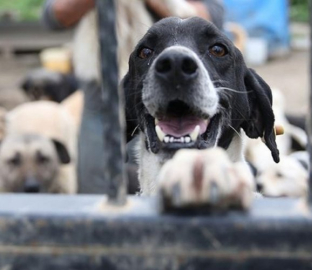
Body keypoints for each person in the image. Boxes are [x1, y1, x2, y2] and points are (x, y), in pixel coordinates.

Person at [42, 0, 224, 194]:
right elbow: (54, 16)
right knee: (98, 194)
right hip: (101, 100)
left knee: (173, 191)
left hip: (169, 100)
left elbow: (212, 18)